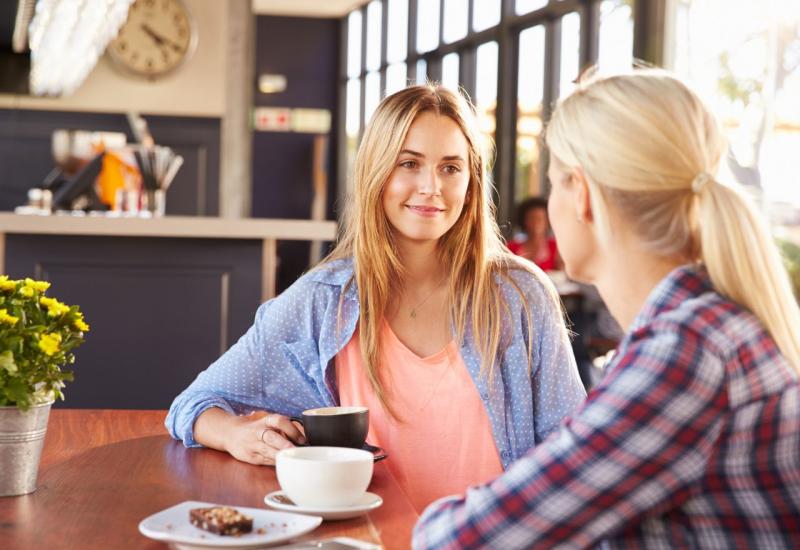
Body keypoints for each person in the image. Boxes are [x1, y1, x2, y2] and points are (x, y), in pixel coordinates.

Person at [413, 69, 800, 548]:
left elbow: (462, 540)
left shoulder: (686, 353)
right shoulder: (703, 326)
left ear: (583, 195)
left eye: (554, 184)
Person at [165, 84, 585, 513]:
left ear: (472, 182)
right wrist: (237, 434)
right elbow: (194, 404)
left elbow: (572, 454)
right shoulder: (324, 300)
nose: (431, 187)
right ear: (376, 172)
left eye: (451, 168)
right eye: (409, 163)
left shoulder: (520, 296)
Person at [507, 197, 562, 271]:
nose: (536, 223)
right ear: (523, 220)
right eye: (531, 218)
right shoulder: (511, 247)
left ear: (548, 221)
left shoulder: (555, 247)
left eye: (540, 219)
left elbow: (562, 274)